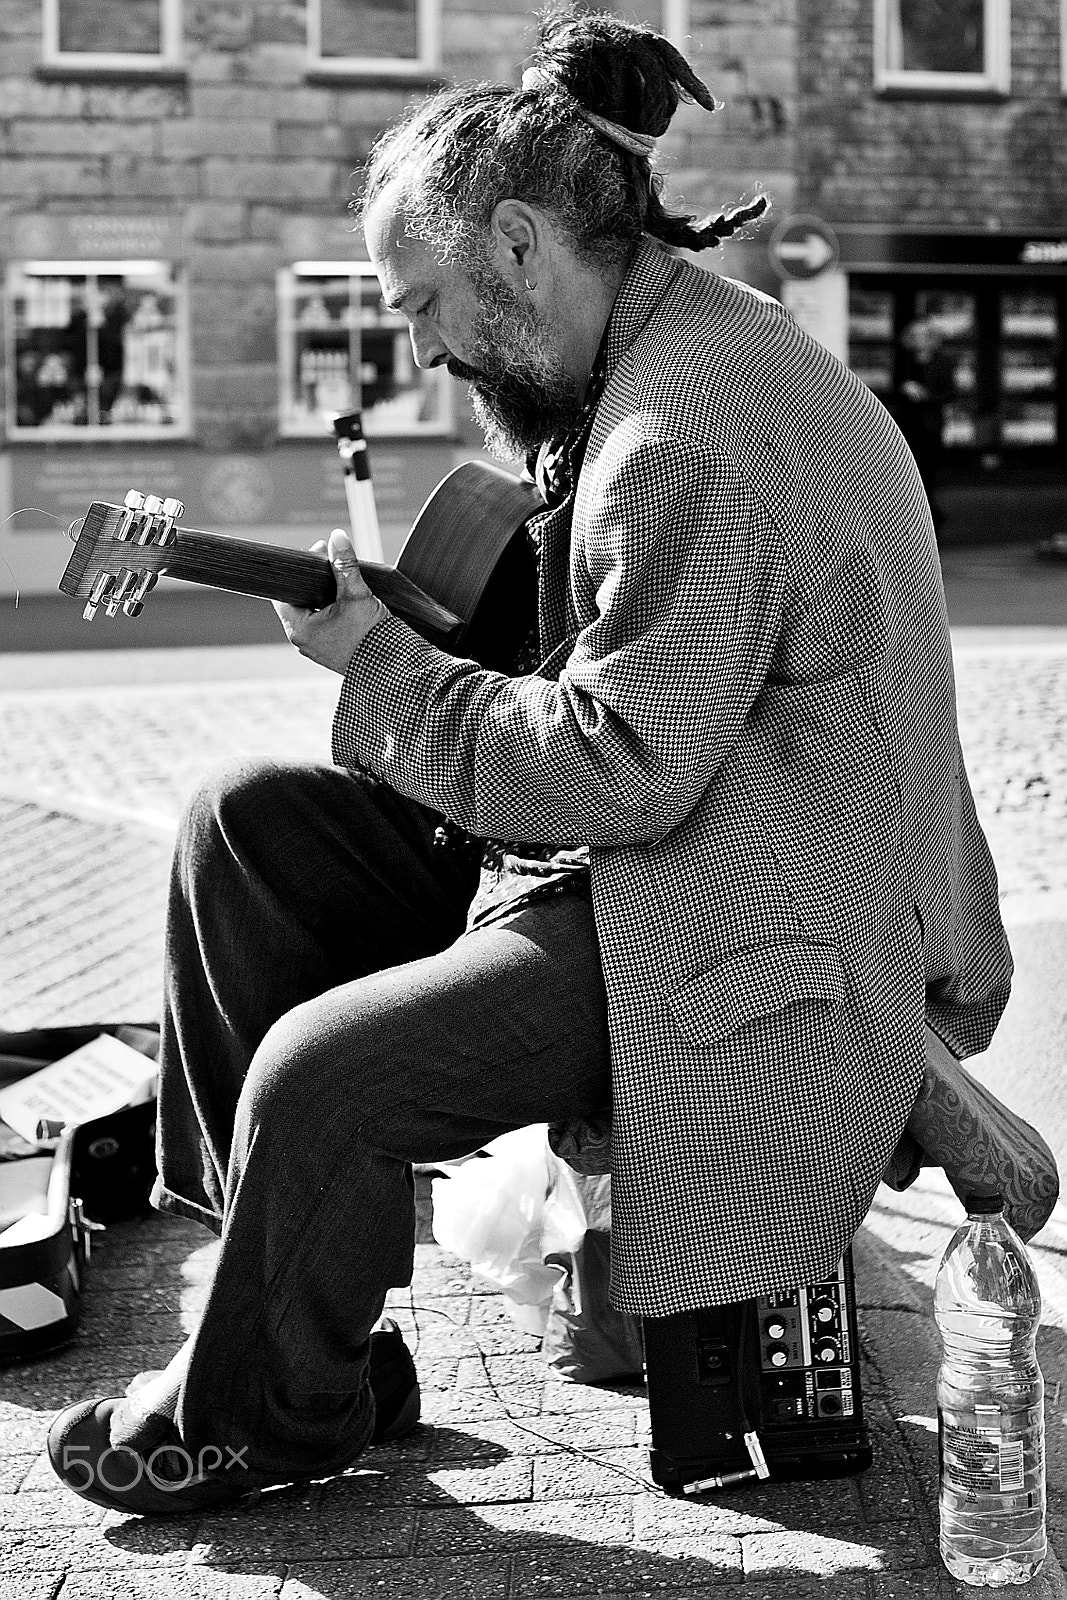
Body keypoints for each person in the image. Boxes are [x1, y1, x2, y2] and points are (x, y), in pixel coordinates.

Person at [48, 9, 1029, 1516]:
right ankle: (319, 1345)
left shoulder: (681, 428)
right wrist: (416, 646)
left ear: (516, 243)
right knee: (240, 832)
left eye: (426, 301)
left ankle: (258, 1417)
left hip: (748, 908)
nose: (420, 345)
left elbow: (617, 765)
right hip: (689, 838)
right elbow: (603, 693)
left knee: (326, 1079)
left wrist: (383, 666)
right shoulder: (648, 361)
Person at [895, 315, 956, 534]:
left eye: (923, 335)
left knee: (927, 476)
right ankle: (922, 520)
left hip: (930, 428)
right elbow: (895, 391)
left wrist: (924, 396)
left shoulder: (943, 362)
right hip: (906, 427)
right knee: (909, 477)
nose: (918, 340)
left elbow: (950, 393)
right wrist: (905, 390)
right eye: (914, 336)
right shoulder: (906, 361)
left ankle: (931, 520)